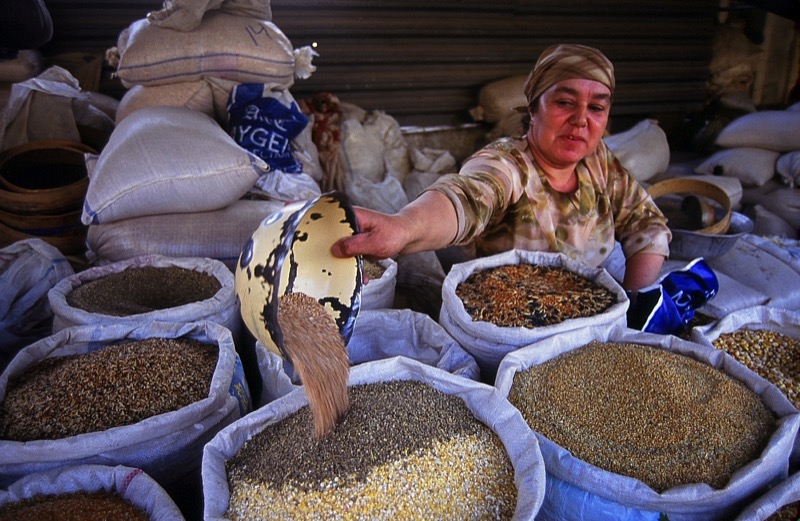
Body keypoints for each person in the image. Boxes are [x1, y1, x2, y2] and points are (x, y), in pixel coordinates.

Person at [332, 43, 671, 294]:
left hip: (584, 313)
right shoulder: (508, 164)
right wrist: (404, 227)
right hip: (507, 322)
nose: (581, 120)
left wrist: (634, 301)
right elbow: (467, 198)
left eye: (596, 107)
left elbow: (647, 223)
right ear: (534, 108)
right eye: (565, 102)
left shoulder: (600, 163)